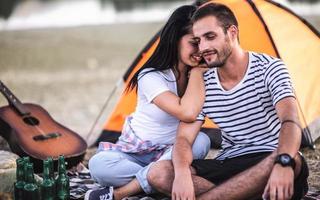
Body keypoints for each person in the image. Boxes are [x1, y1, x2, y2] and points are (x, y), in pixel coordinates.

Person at [147, 2, 309, 200]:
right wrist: (181, 173)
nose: (203, 47)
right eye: (198, 40)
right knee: (159, 172)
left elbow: (290, 121)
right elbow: (183, 139)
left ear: (232, 32)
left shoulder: (270, 68)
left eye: (210, 37)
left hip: (269, 158)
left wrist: (283, 161)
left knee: (291, 160)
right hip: (229, 163)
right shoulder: (202, 82)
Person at [85, 5, 211, 200]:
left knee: (202, 141)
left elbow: (192, 116)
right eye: (194, 42)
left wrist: (196, 73)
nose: (200, 50)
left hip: (174, 153)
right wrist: (196, 72)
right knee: (98, 165)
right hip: (135, 153)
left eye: (203, 42)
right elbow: (185, 111)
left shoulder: (202, 75)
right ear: (175, 40)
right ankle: (158, 180)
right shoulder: (151, 75)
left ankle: (123, 192)